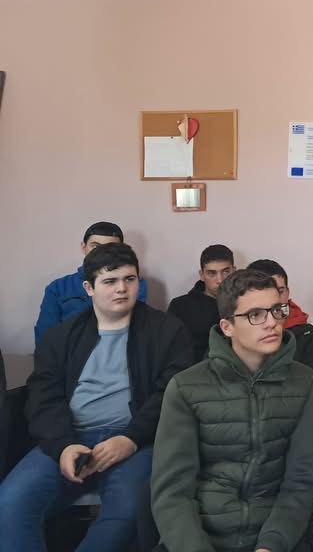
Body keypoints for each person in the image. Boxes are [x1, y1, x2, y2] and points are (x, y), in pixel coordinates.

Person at [0, 243, 192, 552]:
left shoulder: (167, 330)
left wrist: (131, 438)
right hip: (69, 439)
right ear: (89, 288)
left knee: (128, 514)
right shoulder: (62, 336)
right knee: (9, 504)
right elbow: (43, 398)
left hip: (136, 440)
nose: (121, 289)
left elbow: (172, 392)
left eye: (129, 279)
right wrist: (63, 446)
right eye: (110, 281)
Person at [151, 269, 313, 552]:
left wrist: (272, 544)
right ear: (227, 326)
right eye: (255, 315)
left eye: (276, 310)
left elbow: (302, 482)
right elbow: (172, 492)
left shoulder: (304, 382)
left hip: (275, 534)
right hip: (201, 535)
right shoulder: (186, 387)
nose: (271, 323)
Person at [36, 221, 148, 345]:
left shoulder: (134, 284)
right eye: (95, 247)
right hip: (69, 352)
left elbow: (137, 328)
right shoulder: (58, 287)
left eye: (110, 247)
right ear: (83, 247)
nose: (102, 253)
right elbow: (45, 337)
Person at [248, 259, 313, 411]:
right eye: (265, 291)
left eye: (280, 291)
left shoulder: (310, 338)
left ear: (287, 293)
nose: (274, 299)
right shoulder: (235, 336)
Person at [167, 244, 235, 362]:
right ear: (202, 275)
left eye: (225, 271)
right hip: (196, 370)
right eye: (212, 273)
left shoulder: (246, 303)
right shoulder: (181, 306)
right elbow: (171, 351)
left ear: (234, 271)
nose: (220, 280)